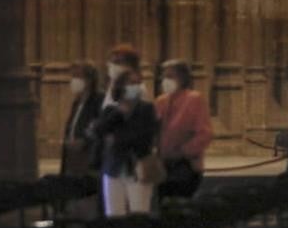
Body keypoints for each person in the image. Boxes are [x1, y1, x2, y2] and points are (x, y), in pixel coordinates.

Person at [91, 68, 159, 216]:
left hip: (138, 168)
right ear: (121, 86)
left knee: (139, 214)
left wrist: (116, 139)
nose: (136, 86)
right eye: (131, 83)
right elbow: (97, 131)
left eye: (138, 82)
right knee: (113, 214)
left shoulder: (147, 109)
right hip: (113, 168)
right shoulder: (111, 109)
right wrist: (119, 113)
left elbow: (144, 137)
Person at [155, 59, 213, 199]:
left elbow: (204, 134)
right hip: (162, 166)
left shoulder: (194, 99)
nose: (165, 80)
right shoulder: (160, 101)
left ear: (182, 78)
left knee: (180, 209)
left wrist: (183, 151)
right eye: (164, 76)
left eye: (170, 76)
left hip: (185, 166)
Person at [61, 62, 105, 176]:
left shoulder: (99, 100)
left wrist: (85, 140)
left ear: (89, 80)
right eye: (73, 77)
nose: (74, 81)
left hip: (88, 153)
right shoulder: (77, 102)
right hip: (72, 154)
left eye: (77, 76)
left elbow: (99, 124)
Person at [103, 44, 142, 110]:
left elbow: (125, 112)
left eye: (117, 62)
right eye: (111, 61)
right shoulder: (114, 84)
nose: (112, 65)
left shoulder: (133, 86)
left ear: (130, 65)